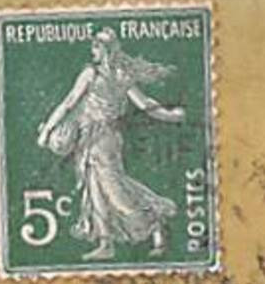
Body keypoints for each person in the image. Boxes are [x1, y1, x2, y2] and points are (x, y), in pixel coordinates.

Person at [34, 29, 184, 261]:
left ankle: (154, 223)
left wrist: (46, 130)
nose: (92, 51)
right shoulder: (103, 73)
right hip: (89, 137)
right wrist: (170, 115)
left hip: (105, 139)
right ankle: (106, 244)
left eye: (95, 47)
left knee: (114, 191)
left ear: (105, 50)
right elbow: (70, 104)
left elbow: (69, 103)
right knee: (95, 189)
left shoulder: (102, 74)